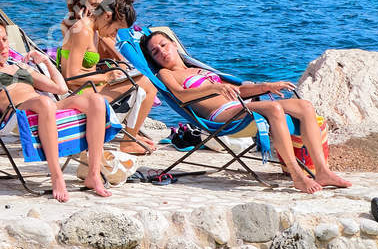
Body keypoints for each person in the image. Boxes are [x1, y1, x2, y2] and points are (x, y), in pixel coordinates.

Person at [141, 32, 350, 193]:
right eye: (155, 52)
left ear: (174, 44)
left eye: (163, 45)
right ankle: (297, 175)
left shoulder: (197, 69)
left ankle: (322, 171)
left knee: (304, 106)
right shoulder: (166, 73)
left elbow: (238, 91)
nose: (162, 52)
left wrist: (267, 86)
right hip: (220, 115)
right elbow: (181, 95)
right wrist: (213, 88)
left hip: (239, 106)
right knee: (274, 108)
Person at [0, 18, 113, 201]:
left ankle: (93, 174)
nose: (3, 46)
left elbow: (60, 88)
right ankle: (57, 176)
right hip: (17, 113)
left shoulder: (20, 66)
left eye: (4, 39)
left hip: (45, 107)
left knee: (96, 100)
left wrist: (46, 61)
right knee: (44, 103)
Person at [58, 0, 156, 155]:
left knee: (146, 83)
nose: (114, 34)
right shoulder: (83, 31)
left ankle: (131, 136)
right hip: (78, 93)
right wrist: (107, 77)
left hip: (90, 88)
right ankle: (128, 141)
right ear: (107, 15)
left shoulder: (93, 29)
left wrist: (114, 72)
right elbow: (70, 76)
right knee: (145, 83)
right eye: (116, 29)